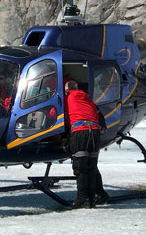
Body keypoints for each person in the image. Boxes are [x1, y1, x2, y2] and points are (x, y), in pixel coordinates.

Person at [64, 80, 109, 208]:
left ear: (67, 91)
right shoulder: (87, 99)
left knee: (81, 167)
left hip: (80, 133)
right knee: (91, 167)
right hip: (94, 133)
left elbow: (64, 117)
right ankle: (93, 198)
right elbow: (97, 115)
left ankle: (82, 199)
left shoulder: (69, 98)